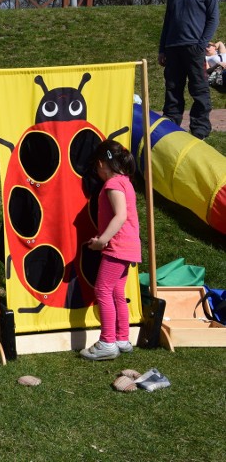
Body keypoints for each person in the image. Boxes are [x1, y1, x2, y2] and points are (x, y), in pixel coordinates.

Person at [80, 140, 141, 361]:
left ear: (101, 164)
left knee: (102, 290)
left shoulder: (113, 185)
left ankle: (107, 341)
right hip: (129, 246)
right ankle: (122, 338)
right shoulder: (126, 181)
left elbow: (120, 215)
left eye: (96, 168)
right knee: (116, 292)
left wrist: (102, 240)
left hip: (117, 246)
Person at [158, 0, 219, 140]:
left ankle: (199, 130)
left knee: (199, 89)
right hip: (172, 49)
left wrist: (201, 44)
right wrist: (162, 49)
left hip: (195, 49)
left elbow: (213, 19)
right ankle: (170, 125)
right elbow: (167, 23)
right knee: (173, 88)